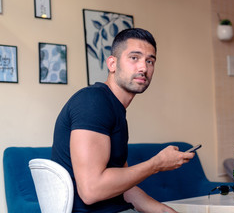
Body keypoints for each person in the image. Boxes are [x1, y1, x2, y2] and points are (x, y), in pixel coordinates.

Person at [51, 28, 195, 212]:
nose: (143, 67)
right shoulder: (93, 102)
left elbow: (124, 188)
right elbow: (91, 190)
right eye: (134, 58)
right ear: (112, 64)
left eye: (150, 61)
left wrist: (165, 211)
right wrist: (156, 164)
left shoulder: (114, 110)